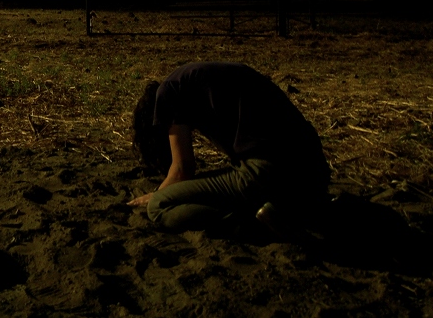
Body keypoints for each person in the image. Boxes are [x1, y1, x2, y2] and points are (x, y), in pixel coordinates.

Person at [128, 61, 330, 236]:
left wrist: (156, 194)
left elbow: (182, 169)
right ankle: (281, 209)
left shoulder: (169, 92)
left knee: (159, 206)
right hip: (313, 175)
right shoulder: (200, 78)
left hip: (271, 171)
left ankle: (257, 226)